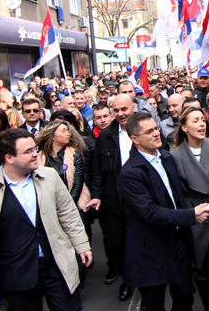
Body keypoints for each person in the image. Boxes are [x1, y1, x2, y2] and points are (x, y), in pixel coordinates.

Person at [0, 129, 92, 311]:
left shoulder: (49, 177)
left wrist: (82, 245)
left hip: (56, 265)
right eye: (28, 152)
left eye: (34, 149)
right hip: (17, 273)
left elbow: (68, 213)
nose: (36, 154)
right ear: (9, 158)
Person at [117, 112, 209, 311]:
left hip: (177, 241)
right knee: (154, 302)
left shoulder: (167, 158)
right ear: (135, 139)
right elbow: (149, 212)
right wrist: (191, 215)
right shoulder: (130, 173)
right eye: (149, 131)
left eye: (156, 128)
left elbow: (176, 198)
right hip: (151, 248)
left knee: (185, 296)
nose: (156, 134)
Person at [171, 107, 209, 311]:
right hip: (196, 218)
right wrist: (191, 213)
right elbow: (177, 192)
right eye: (195, 121)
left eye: (203, 120)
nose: (201, 124)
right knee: (202, 269)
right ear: (184, 127)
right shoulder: (175, 155)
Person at [91, 94, 134, 300]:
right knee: (118, 241)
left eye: (124, 109)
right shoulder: (105, 137)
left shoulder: (145, 129)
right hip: (114, 200)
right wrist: (97, 195)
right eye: (116, 110)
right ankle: (127, 277)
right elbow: (98, 171)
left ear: (133, 107)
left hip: (141, 199)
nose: (120, 114)